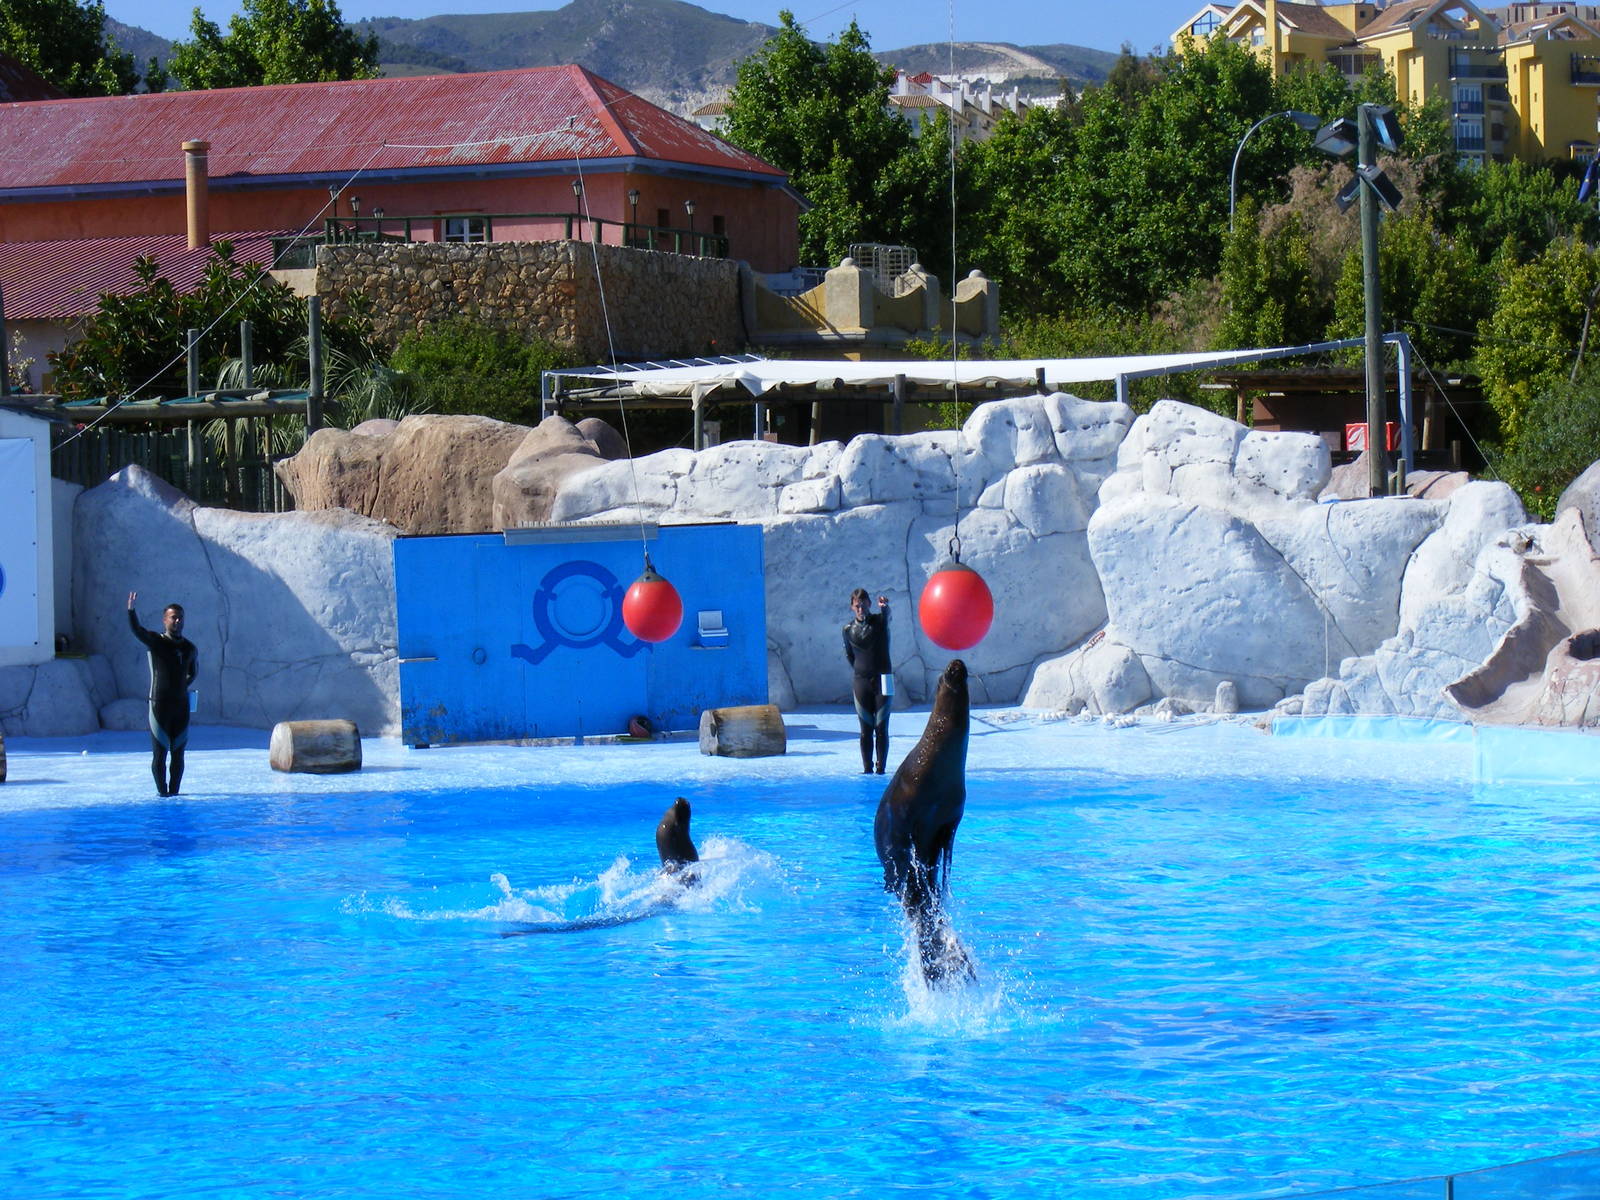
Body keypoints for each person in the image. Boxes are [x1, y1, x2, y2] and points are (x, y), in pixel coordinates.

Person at [128, 591, 198, 797]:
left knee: (179, 754)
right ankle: (162, 794)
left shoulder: (189, 648)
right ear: (165, 619)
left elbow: (194, 672)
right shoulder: (156, 641)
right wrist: (131, 611)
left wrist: (181, 687)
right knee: (160, 755)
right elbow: (136, 630)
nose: (177, 621)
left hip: (181, 706)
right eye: (173, 617)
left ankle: (174, 795)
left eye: (180, 617)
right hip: (159, 705)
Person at [843, 587, 891, 775]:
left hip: (885, 679)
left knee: (882, 727)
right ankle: (867, 769)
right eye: (857, 606)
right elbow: (849, 655)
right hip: (861, 681)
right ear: (852, 608)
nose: (861, 608)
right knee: (865, 729)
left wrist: (885, 607)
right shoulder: (847, 630)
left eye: (863, 605)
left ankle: (881, 768)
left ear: (870, 604)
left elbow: (887, 614)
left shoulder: (880, 621)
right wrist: (861, 671)